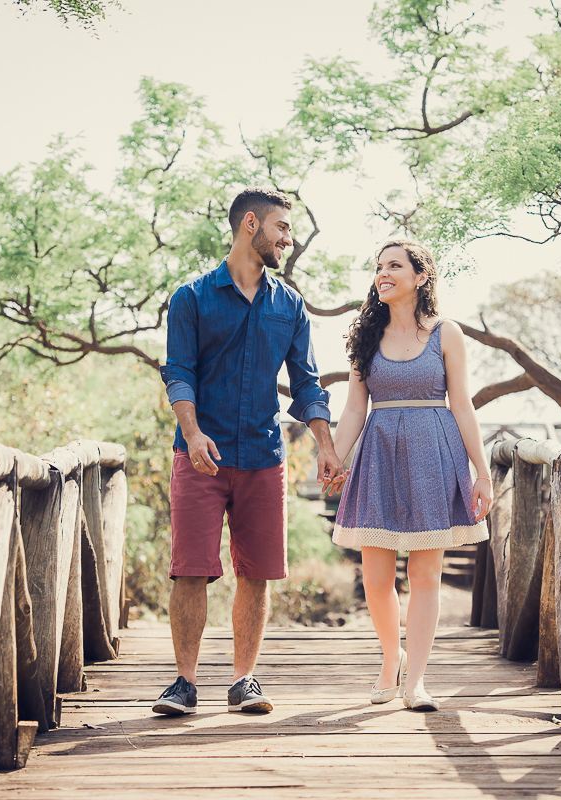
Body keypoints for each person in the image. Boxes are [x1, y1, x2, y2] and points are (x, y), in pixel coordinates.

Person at [154, 187, 343, 716]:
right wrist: (192, 434)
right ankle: (184, 683)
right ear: (251, 225)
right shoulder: (191, 298)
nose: (289, 239)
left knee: (255, 572)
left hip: (263, 454)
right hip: (199, 455)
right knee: (189, 569)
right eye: (283, 228)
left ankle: (244, 681)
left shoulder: (290, 305)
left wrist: (325, 445)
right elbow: (179, 372)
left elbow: (306, 383)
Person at [326, 239, 492, 712]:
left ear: (421, 277)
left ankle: (415, 680)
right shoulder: (364, 336)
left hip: (433, 454)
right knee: (375, 576)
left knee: (424, 573)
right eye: (379, 266)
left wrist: (481, 472)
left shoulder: (446, 333)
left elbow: (462, 403)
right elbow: (356, 407)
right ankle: (389, 658)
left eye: (394, 265)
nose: (383, 273)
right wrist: (336, 456)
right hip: (378, 454)